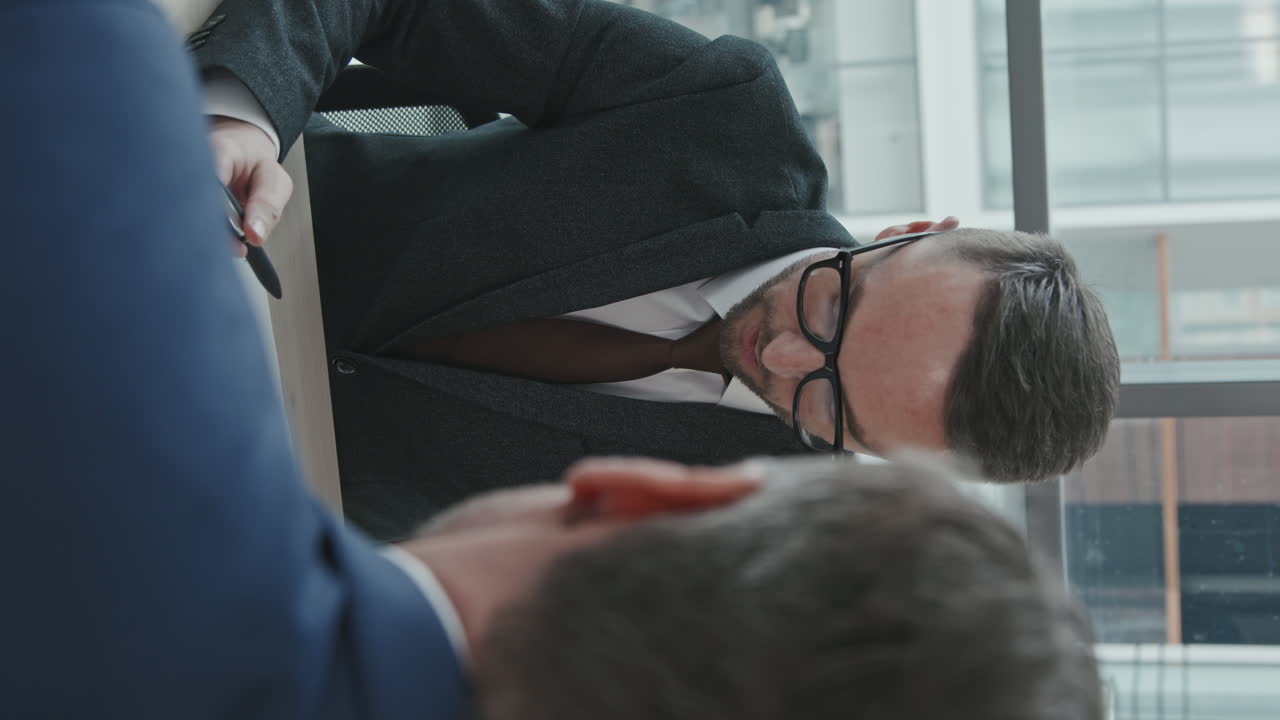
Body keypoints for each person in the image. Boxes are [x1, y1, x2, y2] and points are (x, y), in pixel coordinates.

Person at [193, 0, 1121, 539]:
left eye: (831, 408)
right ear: (912, 229)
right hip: (197, 226)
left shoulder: (733, 538)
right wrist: (247, 115)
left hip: (205, 506)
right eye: (834, 305)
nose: (785, 354)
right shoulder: (720, 116)